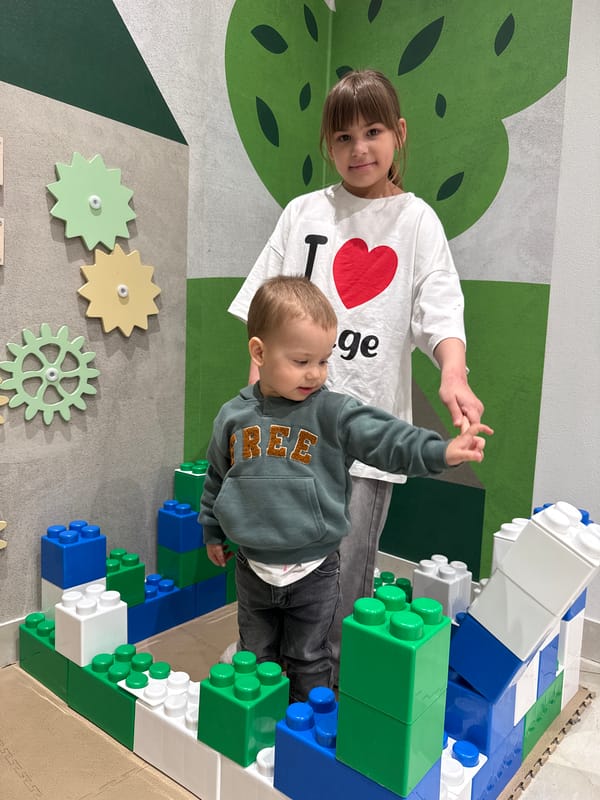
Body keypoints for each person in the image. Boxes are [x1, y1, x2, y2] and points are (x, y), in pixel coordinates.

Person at [227, 70, 484, 679]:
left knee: (340, 572)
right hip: (286, 428)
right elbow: (261, 317)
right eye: (342, 137)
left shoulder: (417, 222)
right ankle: (266, 675)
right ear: (327, 145)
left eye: (372, 132)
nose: (358, 149)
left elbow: (439, 307)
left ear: (399, 134)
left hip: (360, 439)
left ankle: (326, 689)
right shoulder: (303, 214)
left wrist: (454, 371)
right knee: (272, 551)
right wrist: (252, 406)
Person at [200, 276, 492, 703]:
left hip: (314, 569)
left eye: (324, 360)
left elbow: (387, 438)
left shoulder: (333, 413)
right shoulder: (233, 416)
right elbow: (217, 477)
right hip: (253, 566)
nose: (316, 374)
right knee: (257, 655)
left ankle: (307, 728)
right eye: (302, 361)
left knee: (308, 657)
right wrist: (212, 530)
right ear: (259, 353)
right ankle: (258, 731)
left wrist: (441, 451)